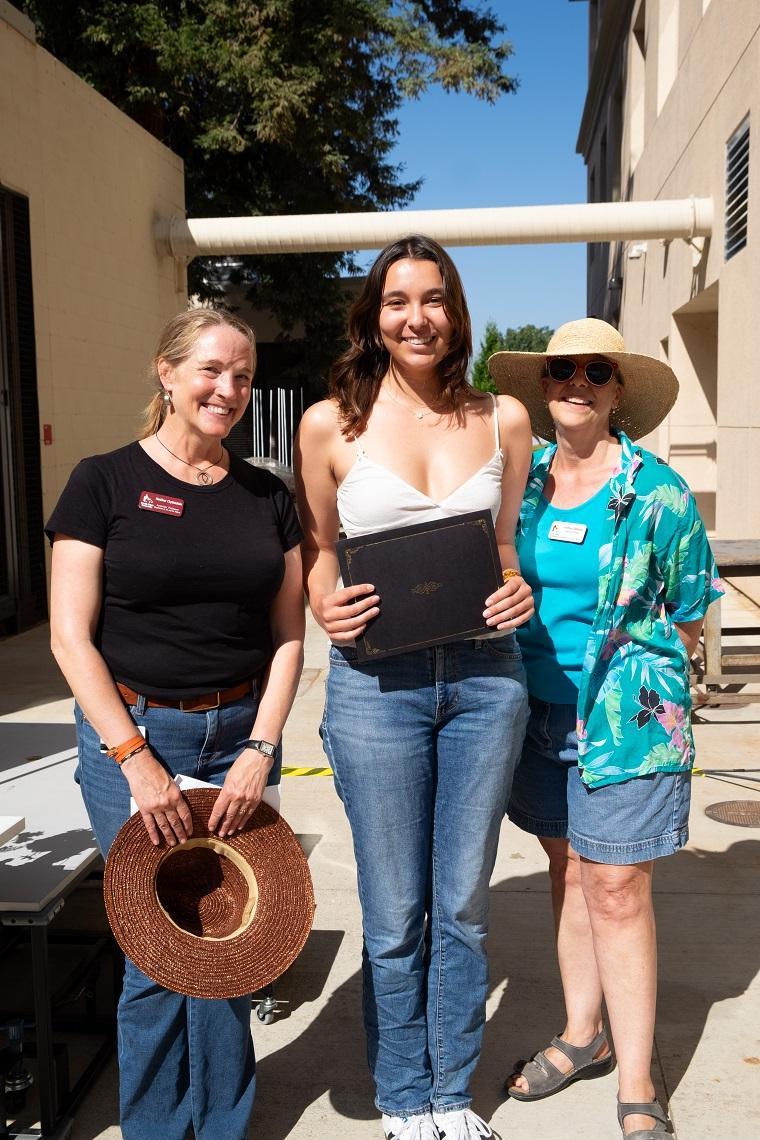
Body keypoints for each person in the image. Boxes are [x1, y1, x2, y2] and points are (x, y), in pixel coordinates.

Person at [295, 235, 534, 1140]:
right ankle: (403, 1098)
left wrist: (518, 591)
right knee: (396, 912)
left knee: (464, 907)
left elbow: (502, 545)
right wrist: (326, 606)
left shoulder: (504, 418)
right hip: (375, 688)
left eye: (433, 300)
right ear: (374, 316)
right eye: (398, 301)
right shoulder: (330, 425)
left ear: (455, 312)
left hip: (484, 678)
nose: (416, 317)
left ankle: (449, 1092)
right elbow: (318, 548)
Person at [46, 309, 305, 1140]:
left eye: (242, 374)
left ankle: (223, 1124)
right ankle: (157, 1127)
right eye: (211, 370)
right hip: (135, 736)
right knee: (155, 953)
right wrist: (134, 759)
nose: (228, 389)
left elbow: (291, 633)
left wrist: (261, 748)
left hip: (237, 737)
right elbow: (68, 635)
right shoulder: (103, 481)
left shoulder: (268, 494)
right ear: (166, 372)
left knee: (233, 939)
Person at [487, 318, 723, 1139]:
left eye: (595, 371)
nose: (576, 383)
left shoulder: (658, 493)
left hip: (624, 722)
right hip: (536, 713)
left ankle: (636, 1075)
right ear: (543, 385)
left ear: (618, 389)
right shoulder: (521, 480)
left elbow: (690, 613)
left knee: (617, 887)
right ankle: (580, 1034)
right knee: (567, 871)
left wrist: (637, 689)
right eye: (561, 370)